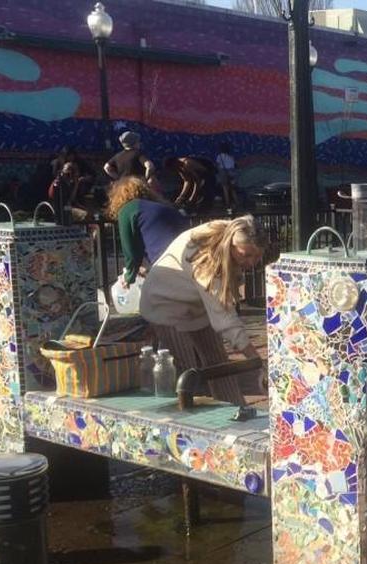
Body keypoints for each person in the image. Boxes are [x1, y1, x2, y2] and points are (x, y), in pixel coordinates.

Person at [140, 216, 267, 405]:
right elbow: (225, 318)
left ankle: (237, 410)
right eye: (246, 255)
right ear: (231, 245)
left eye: (257, 256)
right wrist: (257, 361)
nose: (252, 263)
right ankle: (188, 422)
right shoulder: (206, 258)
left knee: (219, 364)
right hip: (164, 304)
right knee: (187, 373)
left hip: (194, 304)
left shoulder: (233, 231)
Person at [104, 176, 190, 286]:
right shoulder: (164, 208)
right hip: (191, 256)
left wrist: (129, 277)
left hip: (169, 262)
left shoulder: (127, 210)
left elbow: (131, 252)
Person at [215, 142, 238, 212]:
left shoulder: (220, 156)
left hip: (223, 173)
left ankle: (227, 204)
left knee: (225, 189)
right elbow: (235, 165)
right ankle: (237, 202)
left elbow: (218, 165)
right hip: (232, 173)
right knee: (232, 189)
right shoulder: (231, 157)